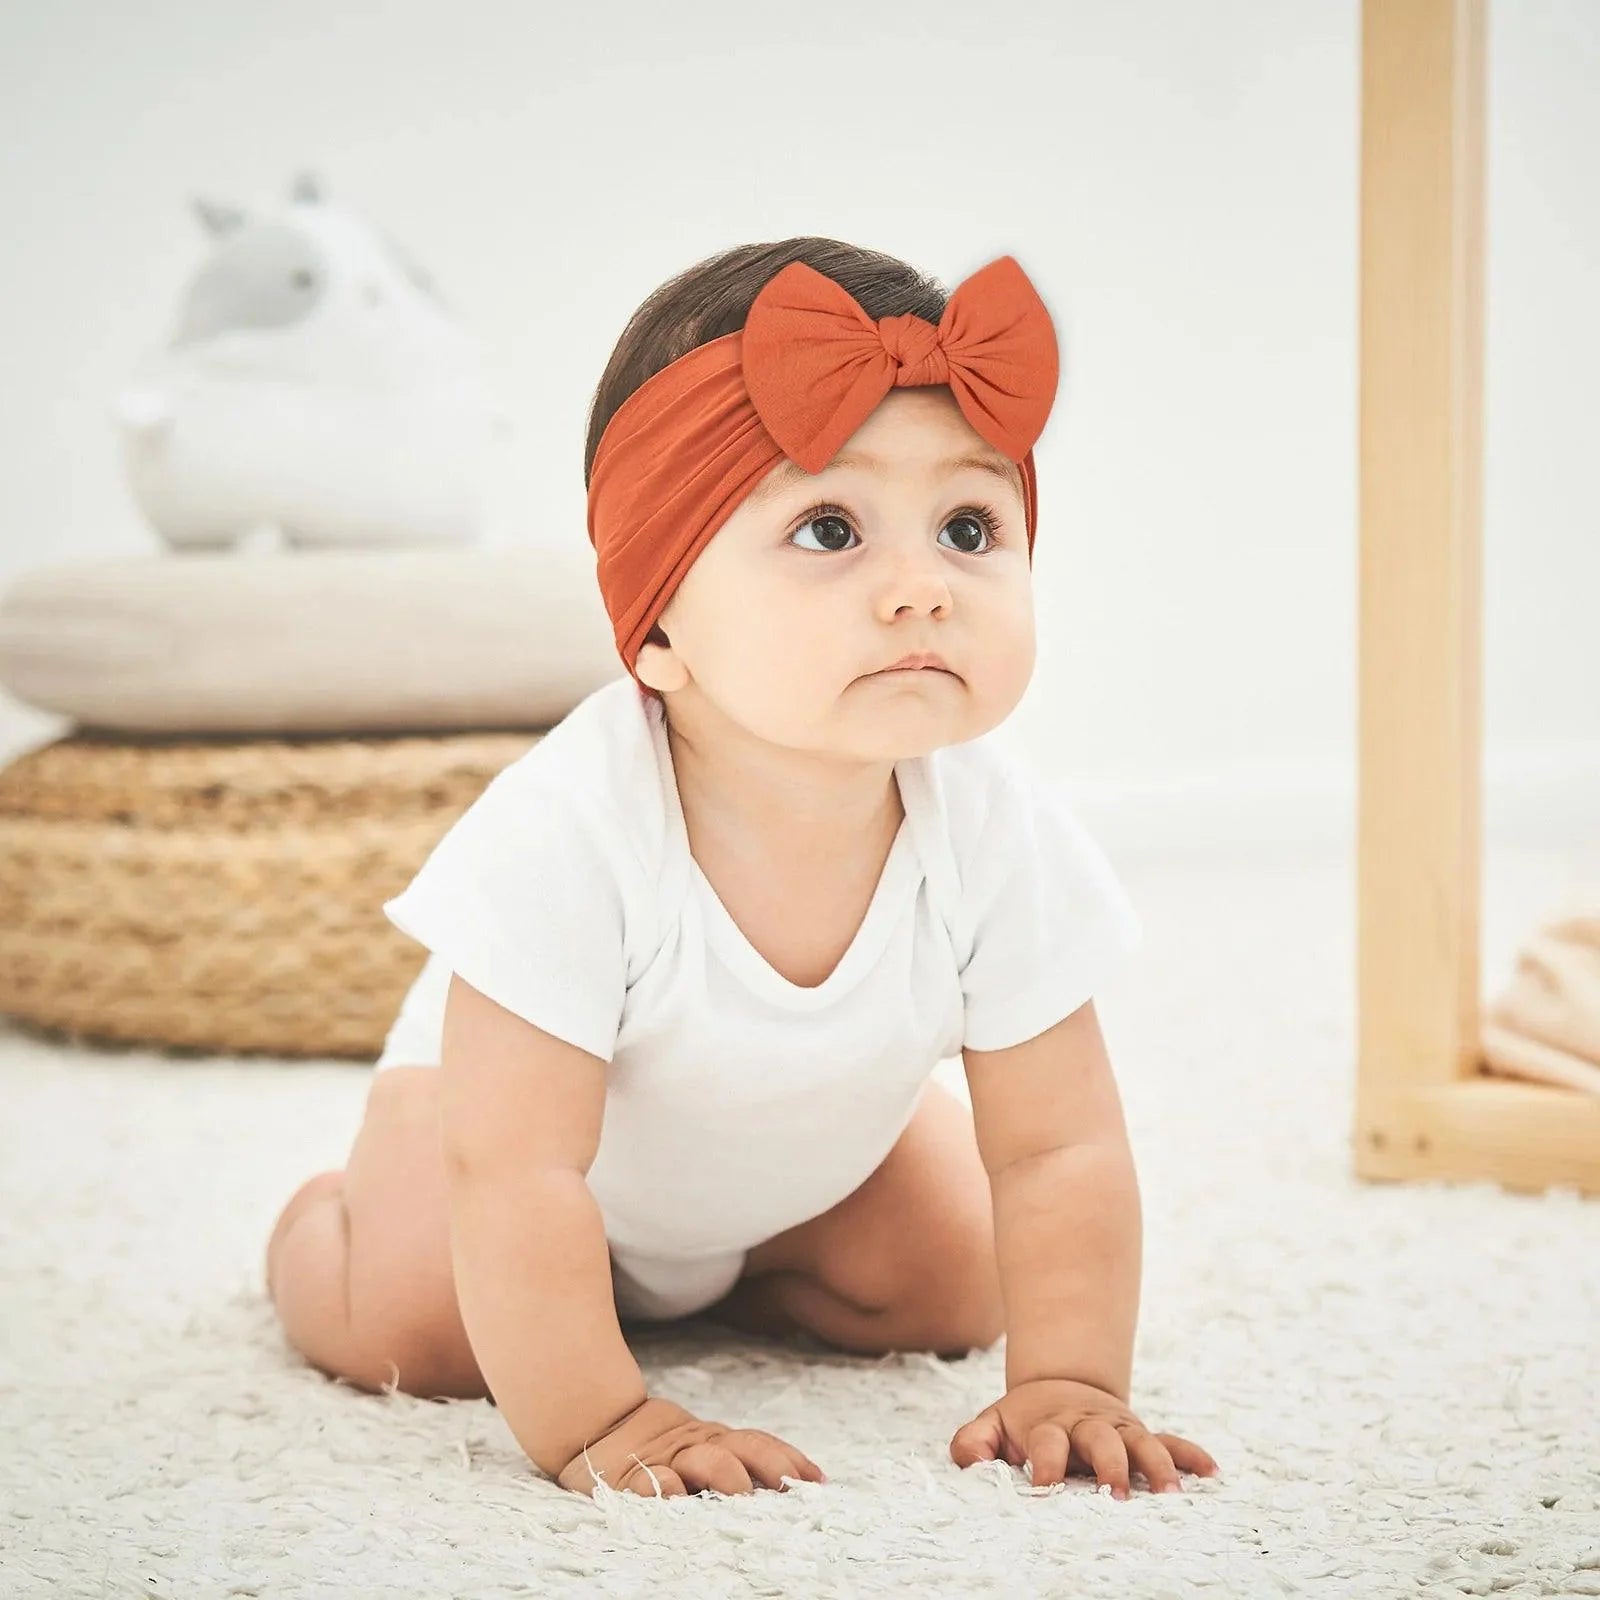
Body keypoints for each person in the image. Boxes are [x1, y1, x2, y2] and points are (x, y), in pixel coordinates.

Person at [264, 237, 1222, 1503]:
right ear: (657, 624)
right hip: (508, 1148)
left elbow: (1058, 1146)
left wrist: (1073, 1378)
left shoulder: (995, 827)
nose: (920, 588)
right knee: (419, 1331)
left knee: (957, 1278)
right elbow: (517, 1169)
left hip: (791, 1168)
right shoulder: (572, 824)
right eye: (830, 527)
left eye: (968, 525)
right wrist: (603, 1419)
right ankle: (309, 1229)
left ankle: (750, 1261)